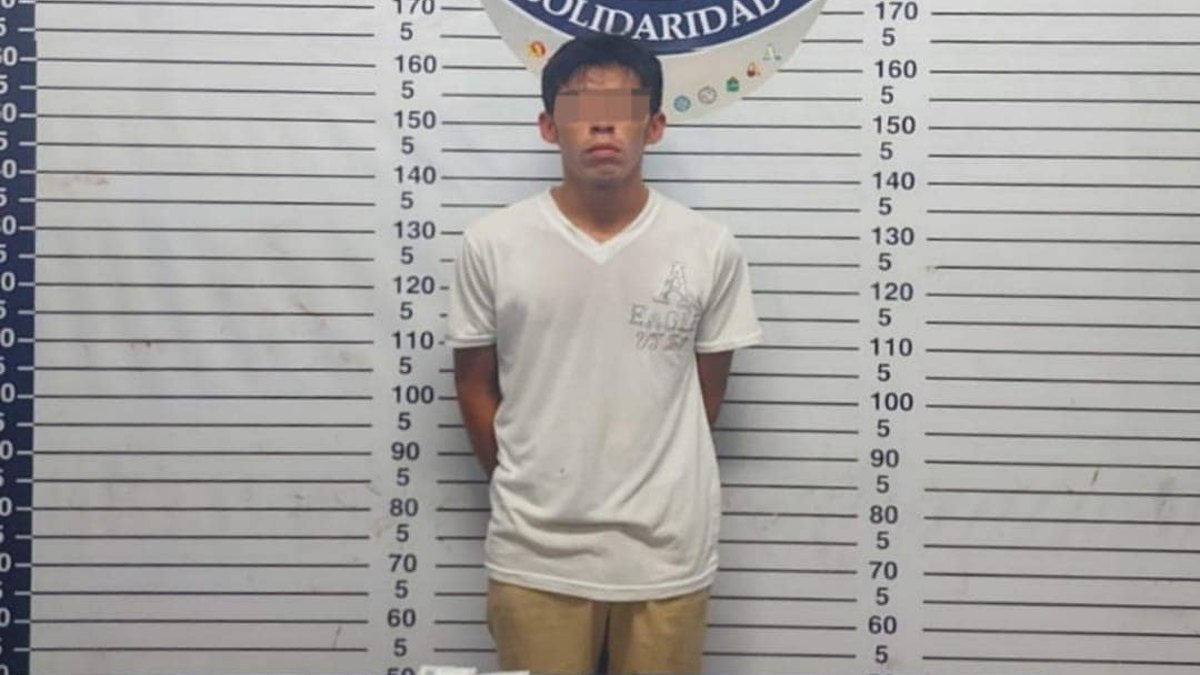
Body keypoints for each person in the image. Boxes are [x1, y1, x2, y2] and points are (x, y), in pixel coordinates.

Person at [446, 31, 763, 675]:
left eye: (622, 110)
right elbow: (474, 385)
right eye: (579, 109)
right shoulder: (491, 244)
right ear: (548, 127)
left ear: (655, 126)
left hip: (666, 552)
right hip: (534, 553)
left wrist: (653, 474)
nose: (601, 125)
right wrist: (526, 483)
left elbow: (705, 394)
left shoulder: (708, 246)